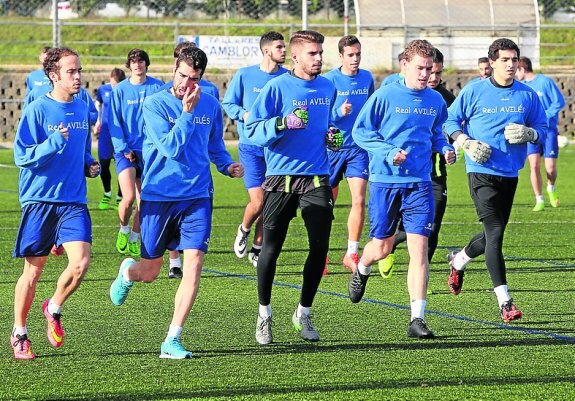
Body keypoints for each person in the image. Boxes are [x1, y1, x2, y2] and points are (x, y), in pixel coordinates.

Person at [109, 46, 243, 359]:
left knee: (193, 265)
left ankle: (172, 339)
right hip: (159, 197)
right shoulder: (154, 104)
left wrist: (228, 166)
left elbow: (215, 147)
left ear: (201, 78)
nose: (186, 83)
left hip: (197, 197)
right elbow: (170, 147)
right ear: (174, 68)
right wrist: (186, 112)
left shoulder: (210, 104)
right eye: (182, 75)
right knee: (150, 272)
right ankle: (129, 271)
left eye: (193, 79)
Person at [347, 39, 456, 339]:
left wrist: (446, 149)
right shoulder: (385, 96)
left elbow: (437, 134)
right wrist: (386, 152)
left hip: (420, 184)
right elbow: (361, 132)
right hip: (385, 182)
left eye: (429, 69)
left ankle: (417, 318)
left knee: (419, 250)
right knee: (382, 247)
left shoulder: (435, 101)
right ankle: (362, 267)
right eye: (420, 68)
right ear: (405, 65)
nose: (425, 74)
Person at [444, 38, 547, 323]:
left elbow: (542, 128)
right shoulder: (474, 91)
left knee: (493, 234)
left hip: (509, 173)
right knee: (496, 232)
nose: (511, 64)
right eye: (505, 59)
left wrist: (530, 134)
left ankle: (458, 260)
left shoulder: (527, 95)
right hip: (480, 171)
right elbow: (450, 122)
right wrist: (465, 141)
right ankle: (505, 301)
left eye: (514, 59)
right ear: (491, 63)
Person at [245, 30, 337, 345]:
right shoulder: (276, 88)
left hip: (316, 178)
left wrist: (331, 136)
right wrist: (283, 123)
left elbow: (326, 126)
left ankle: (304, 312)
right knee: (270, 250)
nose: (319, 58)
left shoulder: (328, 87)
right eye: (313, 53)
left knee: (320, 248)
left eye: (321, 52)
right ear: (296, 56)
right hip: (280, 178)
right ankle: (264, 315)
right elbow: (252, 130)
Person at [11, 47, 100, 359]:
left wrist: (90, 163)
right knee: (32, 273)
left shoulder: (83, 106)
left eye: (79, 71)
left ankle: (54, 306)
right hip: (40, 200)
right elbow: (21, 156)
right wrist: (52, 144)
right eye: (71, 72)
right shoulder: (37, 109)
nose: (78, 77)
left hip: (73, 200)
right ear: (53, 76)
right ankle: (19, 332)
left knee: (80, 263)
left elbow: (83, 149)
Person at [378, 48, 456, 280]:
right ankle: (388, 245)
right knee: (402, 225)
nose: (432, 77)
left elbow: (451, 130)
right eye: (427, 71)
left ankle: (423, 275)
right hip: (402, 171)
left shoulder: (445, 100)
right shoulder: (395, 92)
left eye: (436, 72)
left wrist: (450, 147)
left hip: (434, 174)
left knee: (431, 228)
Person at [222, 31, 288, 268]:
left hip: (276, 148)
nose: (284, 51)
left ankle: (258, 248)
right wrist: (245, 114)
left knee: (270, 203)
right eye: (280, 47)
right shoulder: (244, 75)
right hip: (250, 148)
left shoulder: (286, 77)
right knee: (258, 202)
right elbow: (228, 103)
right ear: (267, 50)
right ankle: (244, 228)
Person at [323, 35, 374, 272]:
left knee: (359, 200)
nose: (355, 59)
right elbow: (321, 117)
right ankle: (320, 252)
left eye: (358, 54)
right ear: (341, 56)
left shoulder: (367, 78)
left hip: (358, 149)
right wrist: (338, 112)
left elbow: (371, 109)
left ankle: (351, 252)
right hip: (332, 148)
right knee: (325, 206)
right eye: (351, 55)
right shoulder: (329, 81)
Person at [109, 48, 163, 258]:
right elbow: (113, 123)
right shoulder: (120, 90)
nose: (137, 64)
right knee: (129, 196)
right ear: (129, 65)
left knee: (145, 199)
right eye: (133, 61)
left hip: (149, 152)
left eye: (141, 61)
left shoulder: (157, 87)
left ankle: (135, 234)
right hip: (126, 152)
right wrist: (124, 149)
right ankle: (123, 229)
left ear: (146, 64)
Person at [515, 56, 565, 211]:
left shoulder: (545, 82)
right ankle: (539, 199)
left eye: (516, 69)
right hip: (531, 132)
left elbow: (559, 102)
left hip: (549, 131)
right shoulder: (520, 86)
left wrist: (544, 116)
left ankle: (551, 187)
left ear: (522, 69)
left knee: (550, 168)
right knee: (534, 166)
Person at [94, 68, 126, 210]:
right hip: (106, 131)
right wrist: (98, 122)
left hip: (122, 131)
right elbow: (98, 103)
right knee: (104, 164)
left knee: (122, 166)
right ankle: (107, 193)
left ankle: (120, 197)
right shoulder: (103, 89)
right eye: (113, 84)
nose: (115, 87)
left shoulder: (127, 90)